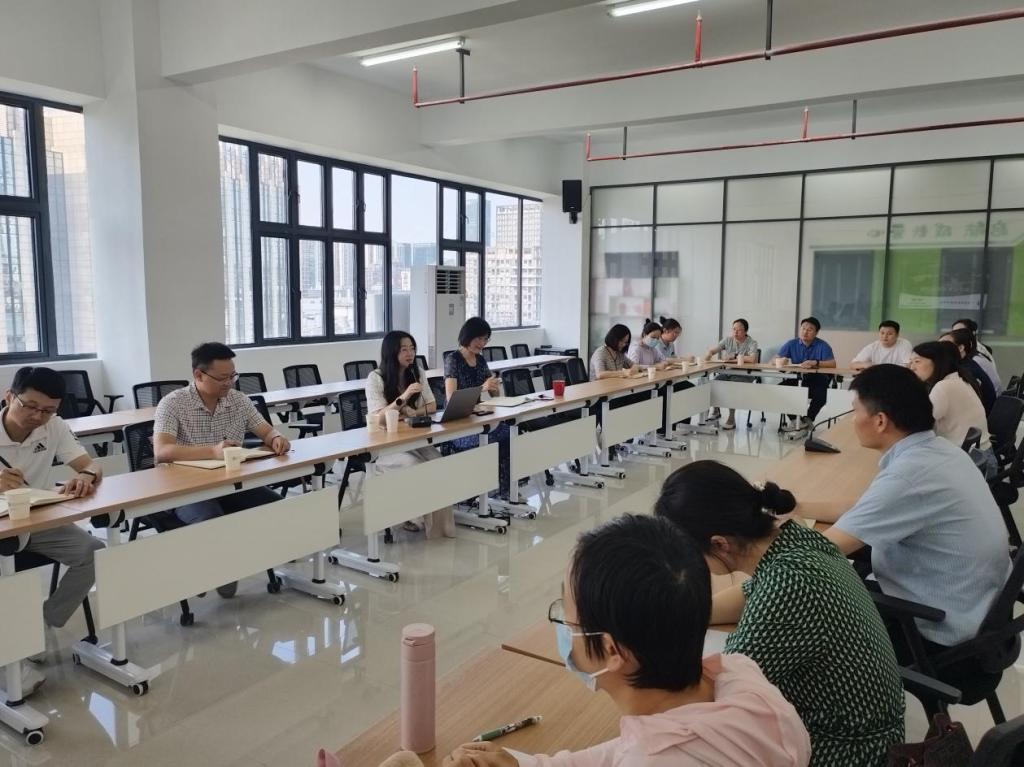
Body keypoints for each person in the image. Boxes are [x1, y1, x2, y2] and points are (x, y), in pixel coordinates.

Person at [444, 514, 811, 767]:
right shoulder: (740, 677)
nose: (564, 630)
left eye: (566, 616)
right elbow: (627, 749)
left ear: (610, 650)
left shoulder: (656, 757)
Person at [655, 461, 904, 767]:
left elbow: (721, 695)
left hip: (847, 750)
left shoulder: (789, 585)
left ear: (719, 544)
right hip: (867, 729)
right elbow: (750, 594)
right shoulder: (793, 541)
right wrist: (678, 614)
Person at [819, 366, 1010, 689]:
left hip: (937, 642)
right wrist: (796, 506)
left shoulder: (909, 475)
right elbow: (863, 509)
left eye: (855, 411)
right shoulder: (942, 452)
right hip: (979, 628)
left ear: (880, 421)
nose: (852, 420)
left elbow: (817, 551)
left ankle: (844, 712)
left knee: (803, 607)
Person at [153, 342, 291, 597]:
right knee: (211, 519)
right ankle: (215, 572)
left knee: (277, 507)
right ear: (198, 375)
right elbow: (162, 451)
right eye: (222, 378)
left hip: (230, 483)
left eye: (232, 376)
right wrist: (212, 451)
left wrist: (276, 438)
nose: (229, 383)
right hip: (185, 489)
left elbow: (265, 429)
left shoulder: (238, 400)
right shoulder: (172, 403)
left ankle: (243, 560)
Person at [0, 367, 105, 696]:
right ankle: (8, 659)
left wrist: (86, 476)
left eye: (48, 410)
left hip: (35, 520)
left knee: (92, 553)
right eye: (30, 406)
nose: (37, 417)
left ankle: (41, 624)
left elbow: (92, 465)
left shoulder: (54, 426)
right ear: (9, 397)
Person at [366, 331, 455, 537]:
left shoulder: (416, 372)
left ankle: (439, 525)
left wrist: (415, 412)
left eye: (412, 349)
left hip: (411, 437)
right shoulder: (375, 378)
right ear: (391, 352)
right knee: (413, 465)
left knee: (438, 462)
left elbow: (432, 405)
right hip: (385, 445)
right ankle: (414, 517)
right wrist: (404, 397)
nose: (410, 354)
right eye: (404, 349)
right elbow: (379, 419)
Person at [443, 317, 512, 499]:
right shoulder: (453, 359)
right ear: (467, 336)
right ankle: (488, 488)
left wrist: (494, 386)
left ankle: (503, 489)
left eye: (485, 339)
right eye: (478, 338)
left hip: (477, 418)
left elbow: (494, 394)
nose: (482, 344)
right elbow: (451, 398)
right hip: (458, 424)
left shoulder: (480, 360)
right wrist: (482, 388)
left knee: (511, 433)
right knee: (498, 437)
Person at [909, 341, 996, 476]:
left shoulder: (944, 387)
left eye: (917, 361)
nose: (912, 367)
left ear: (936, 362)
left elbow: (916, 426)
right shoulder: (957, 379)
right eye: (910, 362)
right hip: (981, 458)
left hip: (971, 466)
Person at [776, 317, 836, 429]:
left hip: (816, 379)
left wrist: (815, 362)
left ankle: (808, 418)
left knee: (824, 392)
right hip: (797, 378)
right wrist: (781, 360)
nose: (805, 332)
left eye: (809, 329)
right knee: (780, 389)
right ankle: (795, 419)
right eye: (803, 328)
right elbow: (774, 359)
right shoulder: (791, 344)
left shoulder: (823, 345)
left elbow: (832, 364)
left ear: (816, 332)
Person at [706, 318, 759, 430]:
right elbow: (714, 350)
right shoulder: (728, 340)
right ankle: (715, 410)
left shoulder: (752, 342)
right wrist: (708, 354)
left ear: (745, 331)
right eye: (734, 329)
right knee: (714, 383)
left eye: (739, 330)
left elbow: (752, 359)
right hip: (728, 372)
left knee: (732, 386)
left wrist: (734, 356)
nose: (735, 332)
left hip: (745, 374)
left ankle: (731, 418)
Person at [939, 328, 996, 411]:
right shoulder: (968, 364)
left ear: (961, 348)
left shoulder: (966, 372)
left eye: (945, 345)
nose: (939, 349)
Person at [952, 318, 1000, 387]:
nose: (956, 335)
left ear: (973, 333)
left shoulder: (977, 352)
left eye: (960, 331)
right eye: (954, 332)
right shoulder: (975, 348)